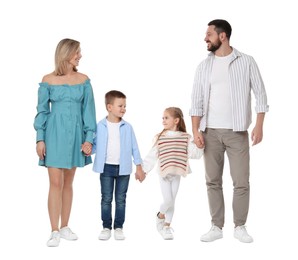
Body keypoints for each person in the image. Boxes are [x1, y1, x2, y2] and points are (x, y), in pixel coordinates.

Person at [190, 19, 269, 243]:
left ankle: (240, 226)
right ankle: (216, 226)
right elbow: (195, 101)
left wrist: (259, 125)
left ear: (222, 36)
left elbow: (261, 95)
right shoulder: (203, 66)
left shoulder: (246, 61)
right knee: (212, 181)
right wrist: (196, 130)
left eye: (209, 34)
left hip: (238, 132)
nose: (205, 38)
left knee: (241, 181)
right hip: (210, 132)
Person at [33, 38, 97, 247]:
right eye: (77, 52)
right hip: (54, 134)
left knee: (68, 182)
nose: (80, 55)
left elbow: (89, 113)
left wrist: (89, 139)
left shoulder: (84, 80)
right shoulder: (48, 80)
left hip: (76, 135)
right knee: (55, 183)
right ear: (66, 54)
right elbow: (42, 111)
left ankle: (65, 226)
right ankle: (53, 230)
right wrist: (40, 139)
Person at [86, 90, 145, 241]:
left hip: (123, 169)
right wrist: (87, 150)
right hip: (105, 167)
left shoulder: (127, 127)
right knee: (106, 198)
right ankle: (106, 227)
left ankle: (118, 227)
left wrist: (139, 166)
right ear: (109, 107)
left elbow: (134, 147)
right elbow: (94, 146)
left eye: (125, 106)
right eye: (120, 105)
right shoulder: (100, 126)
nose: (124, 108)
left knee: (121, 199)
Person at [142, 107, 204, 240]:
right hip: (164, 173)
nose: (163, 120)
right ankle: (160, 215)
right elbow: (152, 156)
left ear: (176, 120)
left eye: (166, 118)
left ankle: (166, 227)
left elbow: (195, 154)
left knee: (172, 201)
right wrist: (143, 170)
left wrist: (200, 145)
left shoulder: (186, 138)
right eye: (163, 118)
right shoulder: (161, 138)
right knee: (168, 200)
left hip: (176, 173)